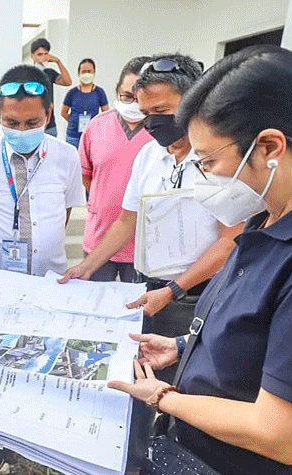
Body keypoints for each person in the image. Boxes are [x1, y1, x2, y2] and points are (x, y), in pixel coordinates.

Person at [108, 45, 292, 475]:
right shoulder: (270, 213)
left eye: (210, 161)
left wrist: (163, 397)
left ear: (269, 146)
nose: (204, 177)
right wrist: (181, 348)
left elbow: (282, 435)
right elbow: (259, 333)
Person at [60, 55, 241, 379]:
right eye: (146, 114)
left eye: (161, 112)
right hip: (146, 290)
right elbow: (126, 221)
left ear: (196, 102)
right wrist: (87, 267)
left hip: (193, 297)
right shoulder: (149, 155)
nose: (151, 123)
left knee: (183, 380)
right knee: (141, 377)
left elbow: (230, 242)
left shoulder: (220, 159)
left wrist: (173, 290)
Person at [0, 64, 84, 472]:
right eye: (11, 121)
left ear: (49, 114)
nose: (22, 128)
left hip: (50, 282)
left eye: (32, 121)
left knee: (43, 359)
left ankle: (36, 431)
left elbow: (64, 212)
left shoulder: (66, 158)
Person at [76, 56, 153, 283]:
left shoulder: (162, 133)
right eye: (126, 95)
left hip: (143, 247)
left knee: (138, 313)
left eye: (139, 97)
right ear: (117, 90)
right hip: (99, 240)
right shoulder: (96, 126)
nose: (133, 103)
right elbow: (86, 175)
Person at [61, 58, 108, 147]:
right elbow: (63, 112)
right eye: (84, 71)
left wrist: (96, 125)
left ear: (94, 73)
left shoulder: (99, 92)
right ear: (79, 73)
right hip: (73, 136)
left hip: (92, 136)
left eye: (89, 71)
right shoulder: (72, 92)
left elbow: (106, 113)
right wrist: (74, 121)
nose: (86, 74)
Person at [29, 38, 72, 137]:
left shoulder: (49, 72)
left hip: (50, 124)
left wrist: (58, 61)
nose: (43, 57)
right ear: (32, 56)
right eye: (40, 54)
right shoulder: (28, 73)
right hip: (33, 125)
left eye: (45, 54)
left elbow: (67, 81)